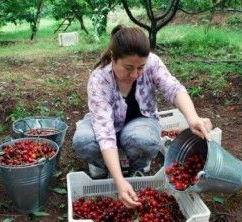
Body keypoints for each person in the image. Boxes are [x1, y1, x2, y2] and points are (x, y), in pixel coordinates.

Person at [72, 24, 212, 208]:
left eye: (141, 67)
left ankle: (137, 168)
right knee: (83, 141)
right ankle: (105, 168)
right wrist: (119, 181)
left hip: (141, 122)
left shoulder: (152, 62)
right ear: (113, 58)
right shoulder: (99, 80)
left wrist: (192, 118)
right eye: (128, 67)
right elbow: (105, 133)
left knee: (143, 141)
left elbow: (174, 88)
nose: (135, 74)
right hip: (107, 124)